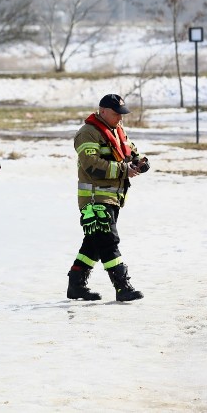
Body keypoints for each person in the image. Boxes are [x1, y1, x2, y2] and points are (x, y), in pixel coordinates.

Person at [67, 93, 147, 302]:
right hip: (95, 200)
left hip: (113, 198)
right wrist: (124, 170)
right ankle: (122, 287)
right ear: (102, 112)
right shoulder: (87, 133)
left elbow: (131, 153)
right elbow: (91, 165)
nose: (120, 118)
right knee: (109, 242)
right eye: (116, 114)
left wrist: (140, 163)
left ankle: (76, 284)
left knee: (94, 243)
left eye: (122, 114)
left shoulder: (118, 130)